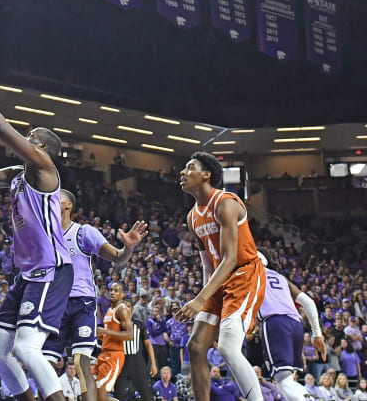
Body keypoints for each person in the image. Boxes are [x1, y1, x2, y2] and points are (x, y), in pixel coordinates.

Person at [0, 67, 72, 401]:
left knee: (25, 347)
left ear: (41, 148)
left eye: (31, 137)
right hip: (28, 274)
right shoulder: (16, 175)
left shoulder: (45, 171)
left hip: (51, 269)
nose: (25, 139)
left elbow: (5, 130)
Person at [177, 152, 266, 401]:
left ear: (206, 175)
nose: (182, 173)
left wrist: (199, 299)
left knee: (227, 347)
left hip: (244, 274)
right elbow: (209, 265)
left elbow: (228, 259)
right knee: (195, 347)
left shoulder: (226, 203)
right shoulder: (192, 217)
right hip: (219, 279)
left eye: (189, 167)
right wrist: (202, 300)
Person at [43, 189, 147, 401]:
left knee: (82, 361)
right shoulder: (45, 235)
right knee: (46, 363)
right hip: (54, 303)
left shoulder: (83, 232)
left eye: (57, 198)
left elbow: (118, 257)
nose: (51, 201)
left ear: (68, 206)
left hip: (81, 302)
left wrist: (128, 247)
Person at [255, 247, 326, 401]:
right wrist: (317, 334)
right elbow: (308, 301)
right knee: (288, 380)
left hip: (275, 323)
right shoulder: (281, 278)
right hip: (296, 324)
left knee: (282, 381)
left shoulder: (250, 272)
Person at [93, 283, 133, 401]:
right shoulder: (110, 310)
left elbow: (130, 335)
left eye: (116, 291)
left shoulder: (122, 310)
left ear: (123, 294)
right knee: (94, 394)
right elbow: (110, 334)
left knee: (101, 395)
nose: (112, 292)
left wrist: (106, 331)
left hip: (114, 355)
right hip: (104, 353)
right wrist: (101, 335)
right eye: (111, 290)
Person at [113, 301, 157, 401]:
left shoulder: (139, 324)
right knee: (119, 395)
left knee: (147, 395)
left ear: (132, 309)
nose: (125, 309)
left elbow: (148, 345)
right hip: (121, 362)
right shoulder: (115, 325)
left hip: (137, 361)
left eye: (128, 307)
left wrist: (153, 364)